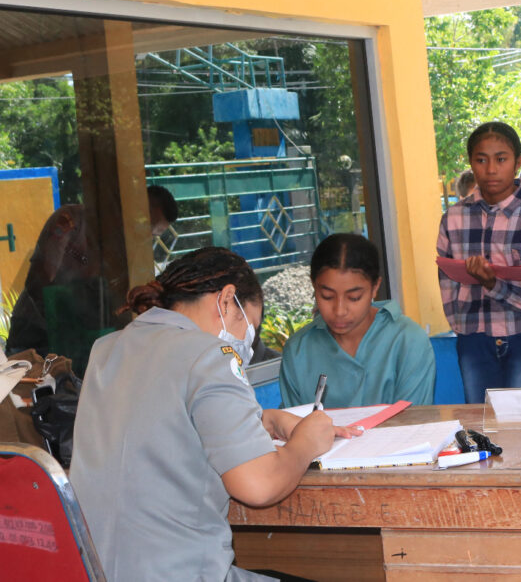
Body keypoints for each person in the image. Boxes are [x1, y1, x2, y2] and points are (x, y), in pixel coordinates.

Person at [70, 247, 355, 581]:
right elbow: (258, 485)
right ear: (226, 300)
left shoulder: (107, 349)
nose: (248, 346)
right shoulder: (212, 354)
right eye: (250, 329)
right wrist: (306, 443)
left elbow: (161, 424)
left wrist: (263, 420)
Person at [437, 121, 521, 403]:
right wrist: (461, 326)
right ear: (470, 162)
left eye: (501, 159)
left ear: (517, 162)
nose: (491, 170)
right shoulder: (454, 216)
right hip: (474, 337)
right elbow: (446, 278)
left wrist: (493, 283)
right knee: (483, 423)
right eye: (481, 160)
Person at [5, 186, 180, 368]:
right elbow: (38, 282)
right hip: (35, 330)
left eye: (151, 235)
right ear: (130, 207)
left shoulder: (126, 250)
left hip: (81, 342)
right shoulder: (71, 221)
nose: (142, 236)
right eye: (144, 225)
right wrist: (75, 313)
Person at [279, 234, 435, 408]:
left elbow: (414, 424)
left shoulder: (408, 341)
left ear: (375, 287)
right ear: (314, 286)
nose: (339, 311)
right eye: (327, 296)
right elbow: (293, 426)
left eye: (354, 298)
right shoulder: (298, 350)